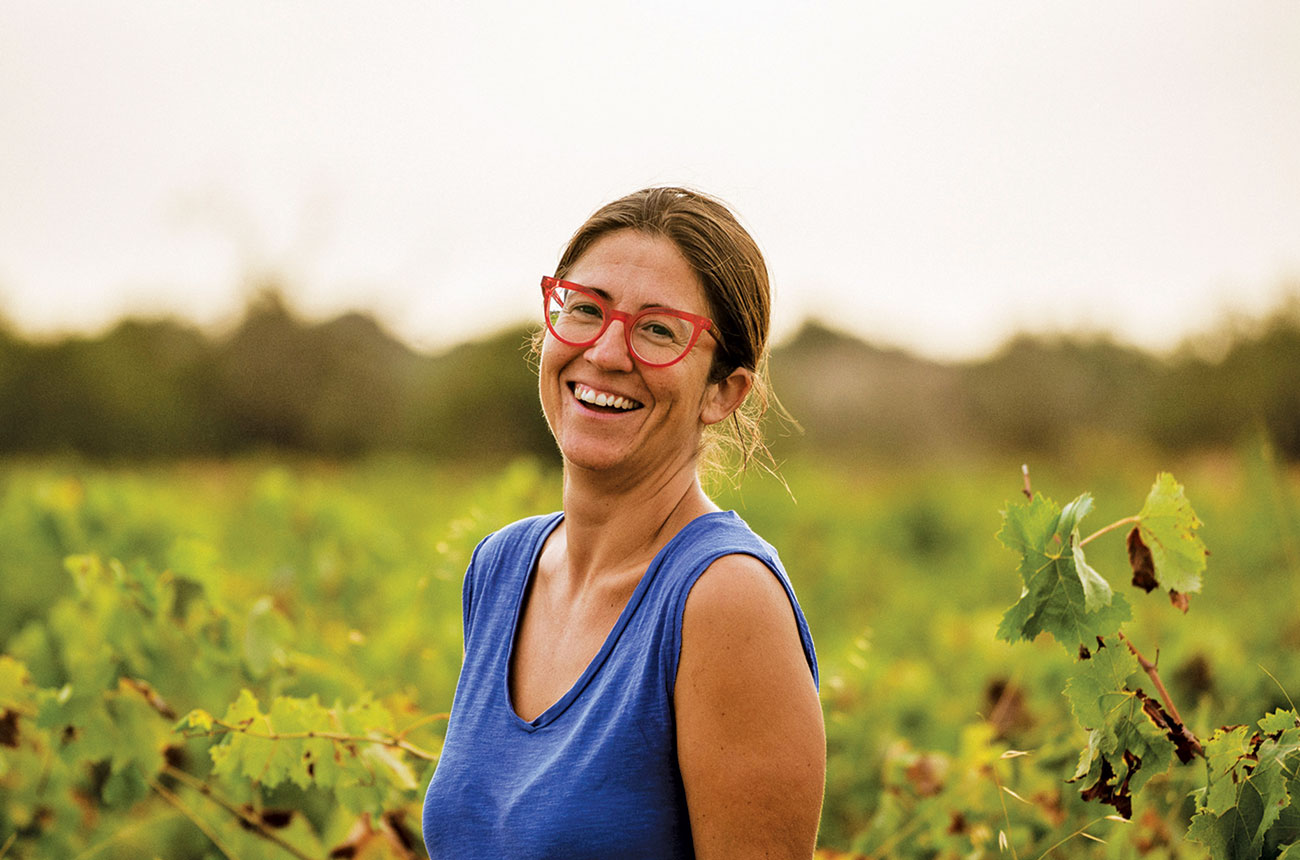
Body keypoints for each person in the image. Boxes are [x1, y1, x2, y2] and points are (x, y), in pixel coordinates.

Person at [421, 187, 825, 859]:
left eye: (659, 330)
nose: (607, 353)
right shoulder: (501, 568)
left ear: (724, 392)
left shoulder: (724, 600)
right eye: (585, 310)